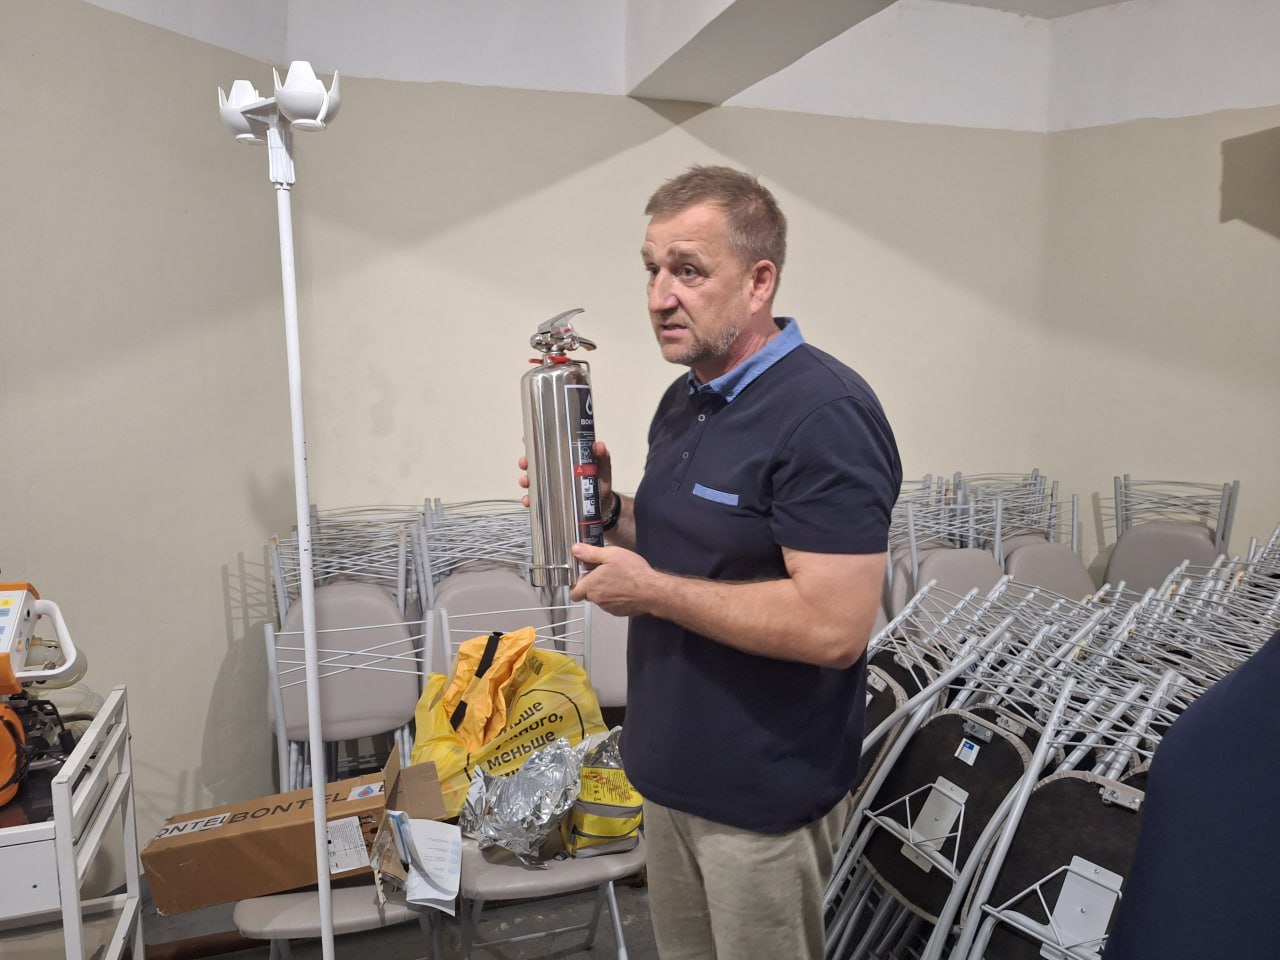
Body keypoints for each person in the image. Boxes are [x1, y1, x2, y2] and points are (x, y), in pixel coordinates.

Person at [526, 164, 901, 958]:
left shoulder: (825, 414)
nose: (660, 296)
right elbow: (693, 547)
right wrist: (605, 508)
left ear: (759, 281)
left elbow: (835, 628)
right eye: (652, 270)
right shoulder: (687, 397)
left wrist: (653, 593)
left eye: (688, 271)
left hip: (760, 799)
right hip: (670, 778)